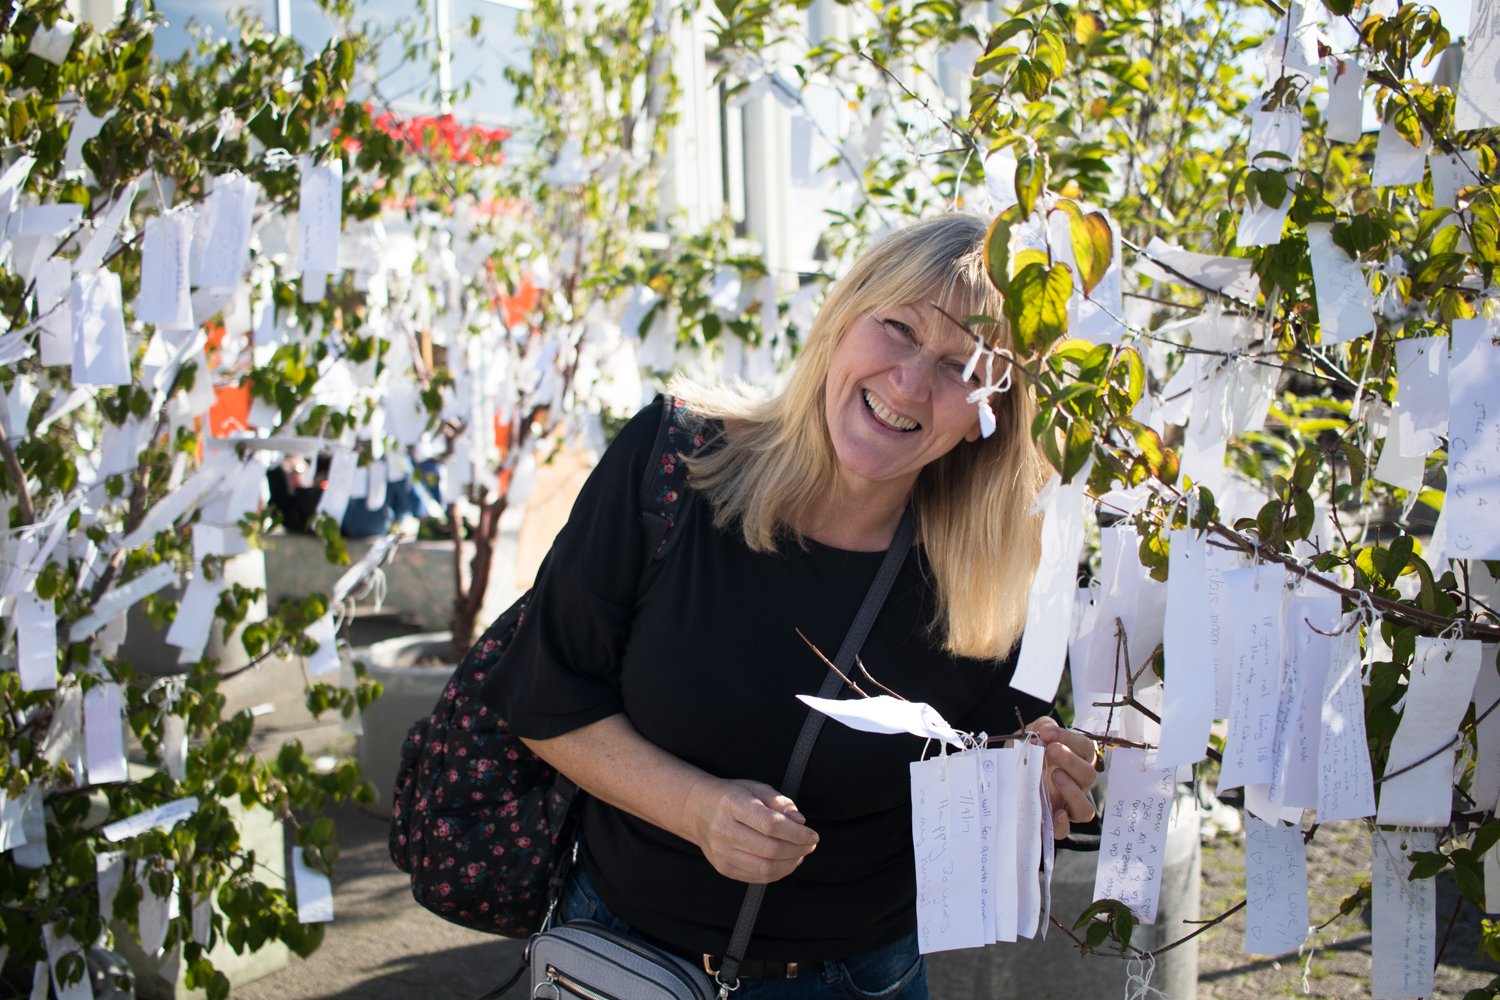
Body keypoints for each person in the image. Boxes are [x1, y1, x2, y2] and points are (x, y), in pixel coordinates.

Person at [486, 214, 1099, 998]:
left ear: (993, 411)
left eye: (960, 366)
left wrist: (1039, 784)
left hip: (863, 979)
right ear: (844, 320)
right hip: (627, 960)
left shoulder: (996, 572)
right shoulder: (672, 464)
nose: (910, 382)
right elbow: (545, 695)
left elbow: (980, 787)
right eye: (899, 329)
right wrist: (697, 810)